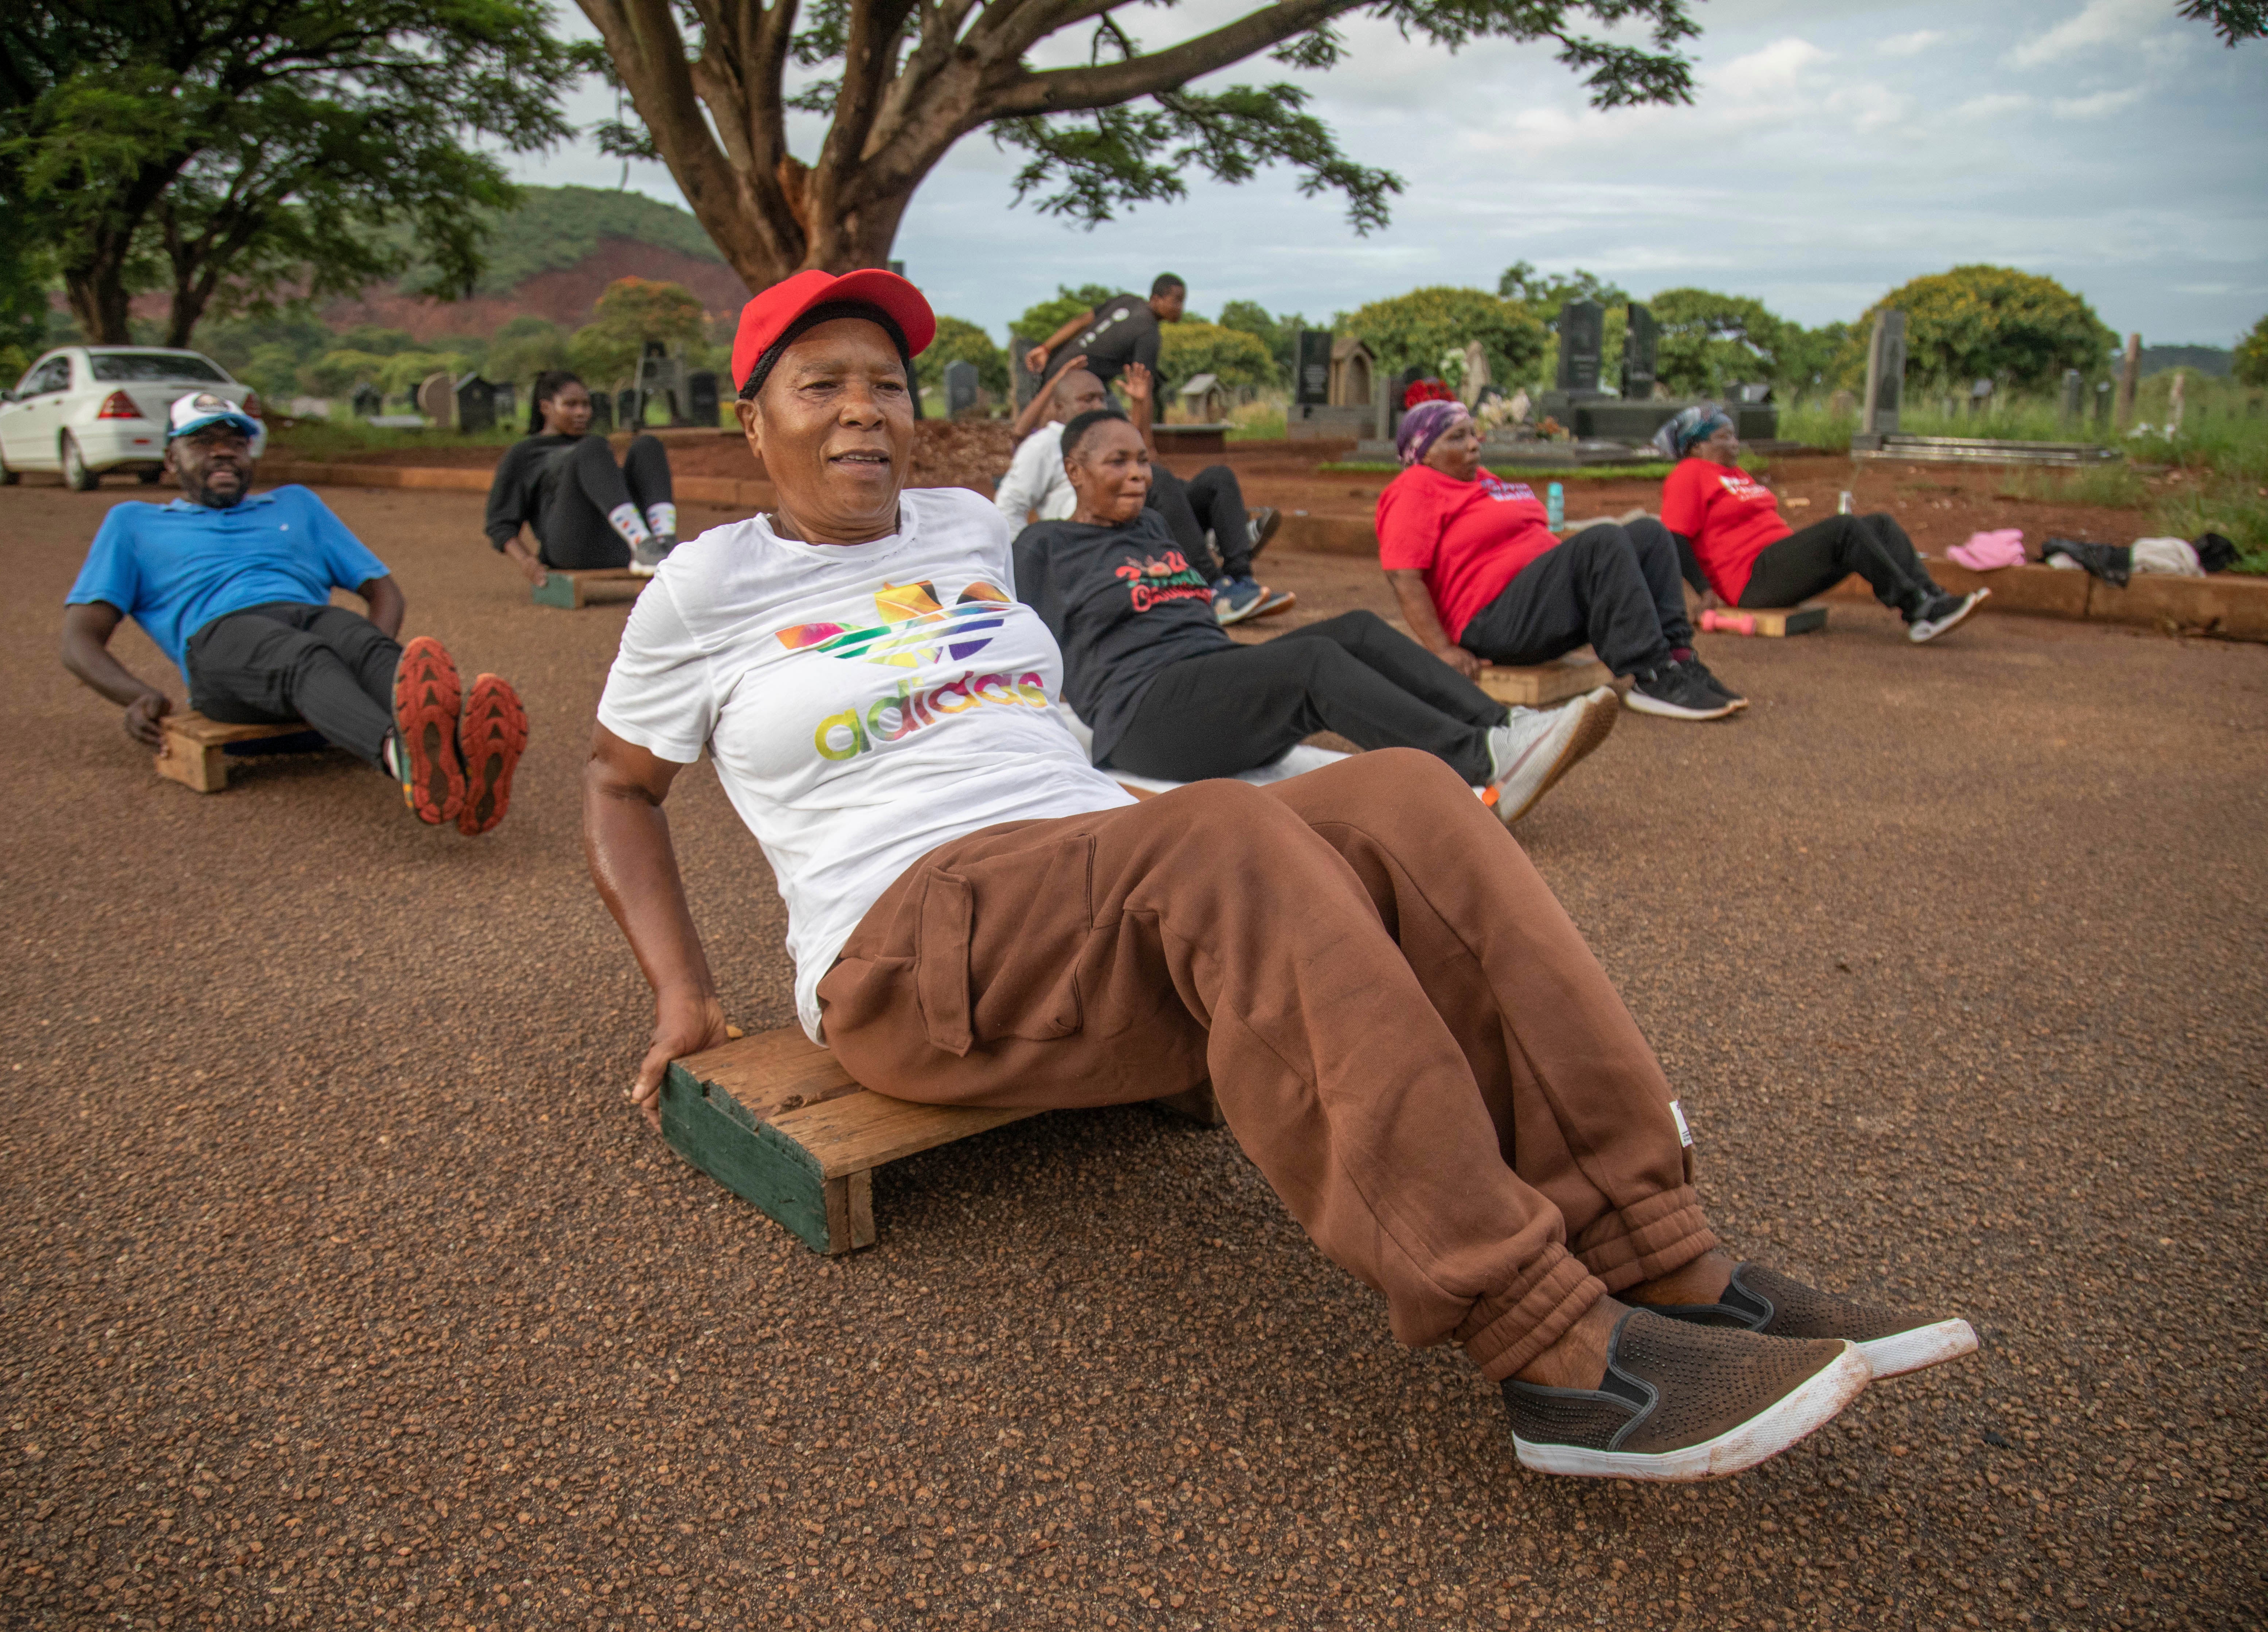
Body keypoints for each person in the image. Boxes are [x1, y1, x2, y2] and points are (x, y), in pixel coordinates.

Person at [583, 270, 1978, 1483]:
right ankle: (1552, 1353)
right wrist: (680, 997)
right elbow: (616, 787)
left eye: (883, 384)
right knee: (1225, 829)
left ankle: (1651, 1240)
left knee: (1407, 794)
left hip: (1083, 861)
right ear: (748, 419)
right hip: (905, 943)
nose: (862, 411)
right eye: (817, 385)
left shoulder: (964, 530)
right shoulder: (703, 590)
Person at [1017, 407, 1617, 826]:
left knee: (1353, 628)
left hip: (1211, 678)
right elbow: (1023, 649)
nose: (1139, 475)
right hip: (1141, 718)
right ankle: (1480, 761)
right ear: (1074, 470)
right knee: (1312, 664)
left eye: (1143, 461)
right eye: (1117, 463)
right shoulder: (1044, 548)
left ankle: (1506, 726)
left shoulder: (1151, 525)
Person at [62, 391, 529, 835]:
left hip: (306, 616)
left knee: (357, 639)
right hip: (220, 644)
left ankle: (462, 760)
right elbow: (79, 639)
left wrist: (369, 659)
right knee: (305, 656)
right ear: (170, 459)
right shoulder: (134, 523)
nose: (224, 453)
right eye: (203, 442)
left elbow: (383, 590)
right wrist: (135, 696)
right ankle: (403, 757)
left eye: (236, 442)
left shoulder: (296, 504)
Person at [1378, 399, 1745, 721]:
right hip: (1496, 622)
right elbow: (1403, 577)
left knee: (1649, 533)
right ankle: (1650, 675)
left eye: (1473, 433)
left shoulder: (1484, 481)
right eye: (1457, 438)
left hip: (1542, 606)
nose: (1474, 444)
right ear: (1424, 452)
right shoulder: (1415, 488)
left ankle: (1679, 659)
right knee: (1603, 539)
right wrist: (1442, 650)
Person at [1655, 403, 1989, 644]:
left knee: (1881, 524)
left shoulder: (1734, 474)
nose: (1735, 443)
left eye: (1734, 436)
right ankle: (1916, 608)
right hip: (1751, 578)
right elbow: (1675, 537)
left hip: (1779, 561)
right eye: (1725, 437)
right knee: (1844, 529)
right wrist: (1705, 592)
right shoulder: (1689, 474)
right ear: (1698, 446)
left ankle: (1932, 597)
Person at [999, 354, 1291, 623]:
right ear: (1059, 407)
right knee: (1161, 481)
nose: (1097, 406)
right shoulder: (1044, 445)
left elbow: (1149, 456)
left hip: (1147, 520)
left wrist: (1141, 404)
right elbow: (1010, 506)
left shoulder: (1111, 432)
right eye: (1086, 400)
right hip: (1094, 535)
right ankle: (1213, 589)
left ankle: (1241, 580)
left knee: (1217, 478)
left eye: (1101, 399)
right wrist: (1034, 561)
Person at [484, 370, 680, 583]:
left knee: (648, 445)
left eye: (586, 405)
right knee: (592, 446)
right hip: (572, 549)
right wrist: (525, 560)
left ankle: (663, 543)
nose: (582, 412)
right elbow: (499, 523)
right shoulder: (525, 453)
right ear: (546, 408)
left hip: (620, 547)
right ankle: (643, 543)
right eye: (570, 405)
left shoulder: (595, 449)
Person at [1021, 275, 1187, 418]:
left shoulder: (1127, 301)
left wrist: (1045, 349)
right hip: (1079, 386)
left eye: (1183, 302)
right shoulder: (1149, 331)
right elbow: (1143, 387)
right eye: (1176, 302)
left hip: (1056, 368)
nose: (1181, 309)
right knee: (1117, 430)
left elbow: (1081, 321)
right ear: (1156, 299)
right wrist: (1147, 443)